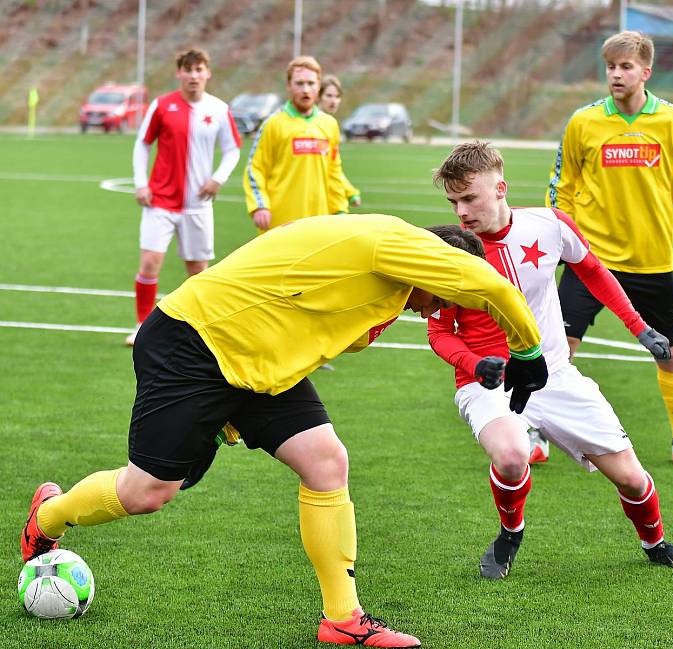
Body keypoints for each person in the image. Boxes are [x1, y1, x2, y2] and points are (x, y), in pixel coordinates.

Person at [21, 213, 550, 648]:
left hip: (259, 365)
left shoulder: (388, 291)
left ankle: (342, 618)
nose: (439, 309)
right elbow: (487, 285)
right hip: (194, 341)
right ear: (439, 267)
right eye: (443, 297)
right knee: (148, 492)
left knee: (327, 461)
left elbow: (300, 320)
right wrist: (526, 349)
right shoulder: (399, 243)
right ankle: (47, 516)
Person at [429, 141, 673, 580]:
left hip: (555, 374)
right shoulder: (449, 251)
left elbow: (592, 270)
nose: (461, 211)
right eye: (453, 201)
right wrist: (476, 365)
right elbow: (439, 331)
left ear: (500, 188)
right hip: (486, 383)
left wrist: (638, 326)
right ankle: (510, 533)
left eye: (469, 197)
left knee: (632, 478)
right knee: (514, 455)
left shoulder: (549, 225)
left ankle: (655, 542)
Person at [547, 31, 673, 470]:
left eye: (626, 66)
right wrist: (558, 240)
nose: (616, 74)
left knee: (666, 351)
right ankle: (540, 429)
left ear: (646, 72)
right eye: (611, 66)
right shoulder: (583, 122)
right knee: (559, 346)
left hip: (652, 262)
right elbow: (562, 187)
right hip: (591, 261)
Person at [127, 48, 241, 346]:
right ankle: (141, 326)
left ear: (208, 73)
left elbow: (232, 150)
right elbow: (142, 144)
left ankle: (197, 330)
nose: (193, 75)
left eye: (199, 69)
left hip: (197, 204)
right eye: (187, 69)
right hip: (160, 201)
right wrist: (141, 183)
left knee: (198, 271)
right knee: (150, 262)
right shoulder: (162, 106)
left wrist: (218, 178)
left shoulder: (218, 109)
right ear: (179, 73)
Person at [243, 56, 349, 234]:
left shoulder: (329, 124)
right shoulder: (273, 124)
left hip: (319, 221)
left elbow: (334, 171)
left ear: (318, 86)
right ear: (289, 86)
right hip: (280, 222)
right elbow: (255, 168)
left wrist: (340, 208)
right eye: (299, 83)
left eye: (311, 83)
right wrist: (260, 206)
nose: (306, 90)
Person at [319, 74, 361, 209]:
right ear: (318, 96)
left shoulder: (331, 125)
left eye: (337, 96)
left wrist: (350, 192)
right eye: (329, 95)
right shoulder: (313, 126)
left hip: (327, 201)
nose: (334, 101)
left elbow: (333, 168)